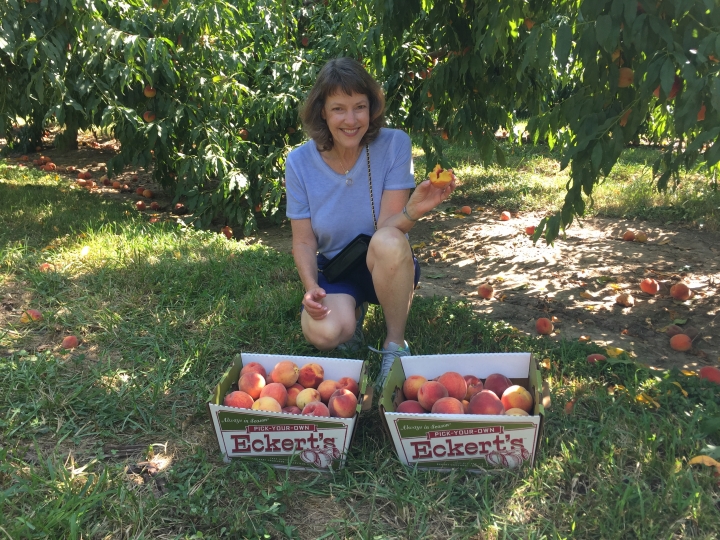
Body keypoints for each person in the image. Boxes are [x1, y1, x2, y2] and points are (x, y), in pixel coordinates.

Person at [285, 57, 456, 385]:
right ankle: (350, 310)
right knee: (323, 332)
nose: (351, 120)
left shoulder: (394, 144)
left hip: (386, 262)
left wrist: (414, 209)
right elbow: (304, 241)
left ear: (371, 108)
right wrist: (311, 289)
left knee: (389, 241)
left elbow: (387, 229)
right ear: (322, 111)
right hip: (337, 266)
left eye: (359, 107)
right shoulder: (299, 162)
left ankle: (394, 344)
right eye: (338, 109)